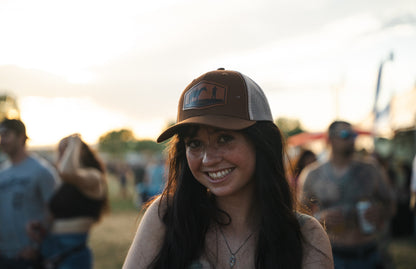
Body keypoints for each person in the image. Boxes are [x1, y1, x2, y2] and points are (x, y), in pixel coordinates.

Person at [123, 68, 333, 269]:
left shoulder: (306, 235)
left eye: (224, 139)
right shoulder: (166, 216)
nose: (208, 159)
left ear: (261, 143)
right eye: (195, 144)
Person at [298, 120, 395, 269]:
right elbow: (299, 215)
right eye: (345, 134)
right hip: (332, 253)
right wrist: (319, 219)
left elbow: (391, 204)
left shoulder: (370, 170)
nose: (351, 139)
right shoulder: (312, 174)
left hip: (369, 252)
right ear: (329, 139)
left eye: (353, 134)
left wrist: (380, 211)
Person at [28, 134, 109, 269]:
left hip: (72, 249)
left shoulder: (94, 176)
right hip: (50, 246)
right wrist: (40, 228)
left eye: (64, 150)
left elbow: (67, 171)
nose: (61, 156)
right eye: (59, 151)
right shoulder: (64, 182)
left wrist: (75, 142)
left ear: (79, 151)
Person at [0, 118, 59, 268]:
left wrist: (35, 247)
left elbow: (53, 210)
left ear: (21, 137)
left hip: (29, 257)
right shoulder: (2, 172)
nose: (2, 140)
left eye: (6, 135)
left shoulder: (41, 171)